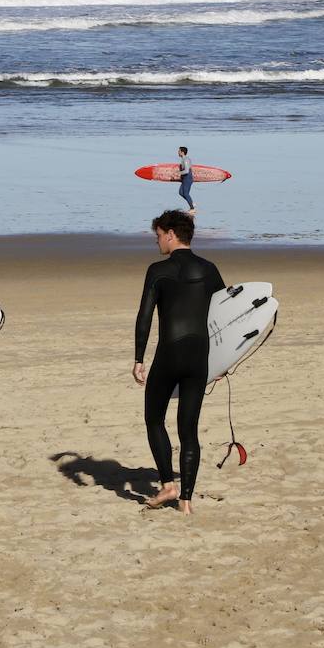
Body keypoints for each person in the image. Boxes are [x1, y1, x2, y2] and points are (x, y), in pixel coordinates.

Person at [133, 209, 225, 515]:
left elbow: (144, 316)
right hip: (199, 357)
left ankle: (167, 485)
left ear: (171, 234)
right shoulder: (209, 269)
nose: (157, 241)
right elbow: (224, 314)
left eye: (158, 235)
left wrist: (138, 358)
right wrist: (224, 359)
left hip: (170, 354)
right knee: (189, 429)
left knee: (154, 418)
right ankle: (186, 500)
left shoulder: (157, 271)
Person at [177, 146, 196, 214]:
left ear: (182, 152)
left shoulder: (186, 160)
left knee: (185, 193)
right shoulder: (183, 159)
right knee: (181, 192)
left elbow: (187, 171)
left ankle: (192, 208)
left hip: (188, 178)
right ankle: (191, 203)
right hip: (185, 179)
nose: (178, 152)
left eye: (179, 151)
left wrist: (179, 173)